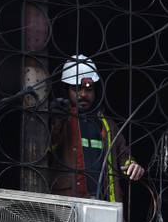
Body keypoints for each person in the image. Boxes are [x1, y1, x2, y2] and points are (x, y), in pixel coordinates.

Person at [47, 55, 144, 207]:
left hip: (102, 202)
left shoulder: (107, 124)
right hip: (68, 202)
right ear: (66, 90)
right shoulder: (61, 120)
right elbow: (49, 146)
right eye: (76, 89)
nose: (83, 95)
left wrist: (132, 165)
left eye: (88, 89)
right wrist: (57, 119)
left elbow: (123, 156)